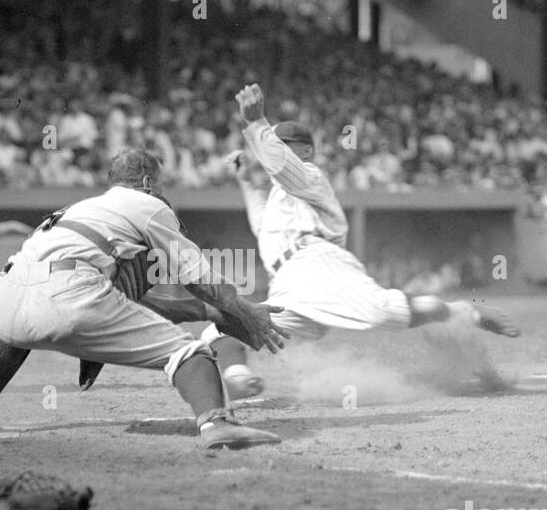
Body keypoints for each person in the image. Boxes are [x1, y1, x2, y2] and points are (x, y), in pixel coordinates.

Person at [0, 149, 287, 450]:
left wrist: (208, 312)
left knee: (15, 324)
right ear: (149, 183)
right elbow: (200, 280)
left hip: (3, 293)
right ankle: (218, 424)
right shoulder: (148, 204)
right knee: (189, 351)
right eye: (162, 185)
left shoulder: (82, 209)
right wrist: (245, 310)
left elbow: (131, 304)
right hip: (70, 295)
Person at [204, 82, 520, 394]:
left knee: (384, 312)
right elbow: (261, 222)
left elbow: (281, 166)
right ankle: (237, 376)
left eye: (285, 143)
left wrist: (258, 122)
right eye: (277, 143)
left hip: (318, 264)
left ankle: (466, 312)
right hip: (287, 284)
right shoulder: (279, 194)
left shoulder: (309, 176)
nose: (280, 149)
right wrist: (246, 180)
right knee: (226, 326)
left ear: (306, 151)